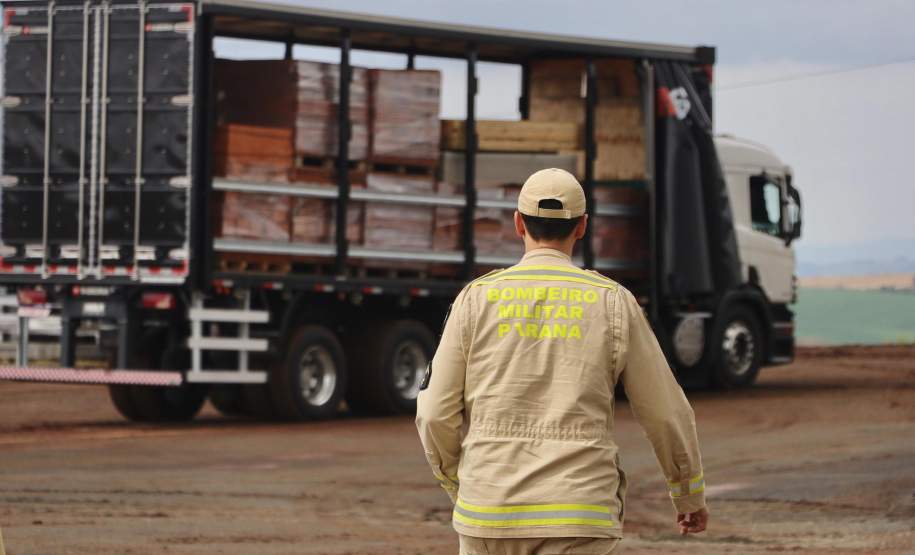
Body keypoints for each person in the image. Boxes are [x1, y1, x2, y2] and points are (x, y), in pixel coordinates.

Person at [416, 168, 708, 554]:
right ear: (583, 226)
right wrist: (687, 493)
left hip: (488, 513)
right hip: (579, 513)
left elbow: (435, 413)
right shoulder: (613, 302)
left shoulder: (475, 299)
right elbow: (666, 412)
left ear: (518, 223)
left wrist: (459, 481)